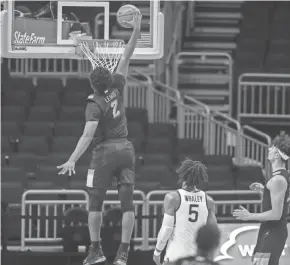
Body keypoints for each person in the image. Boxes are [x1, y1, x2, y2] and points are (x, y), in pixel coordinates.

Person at [57, 9, 142, 265]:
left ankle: (96, 250)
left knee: (95, 204)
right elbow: (127, 53)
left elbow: (86, 136)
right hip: (126, 149)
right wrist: (137, 28)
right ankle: (124, 253)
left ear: (92, 83)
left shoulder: (94, 103)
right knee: (128, 205)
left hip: (103, 153)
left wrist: (72, 159)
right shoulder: (117, 84)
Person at [233, 131, 290, 265]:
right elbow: (284, 197)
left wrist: (249, 215)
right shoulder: (281, 176)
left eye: (272, 147)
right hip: (269, 230)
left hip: (273, 231)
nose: (269, 149)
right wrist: (265, 191)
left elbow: (276, 214)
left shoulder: (278, 180)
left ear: (277, 155)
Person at [153, 159, 218, 265]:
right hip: (198, 258)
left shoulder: (172, 198)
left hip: (175, 256)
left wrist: (157, 252)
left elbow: (166, 229)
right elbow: (213, 232)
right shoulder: (209, 201)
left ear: (182, 176)